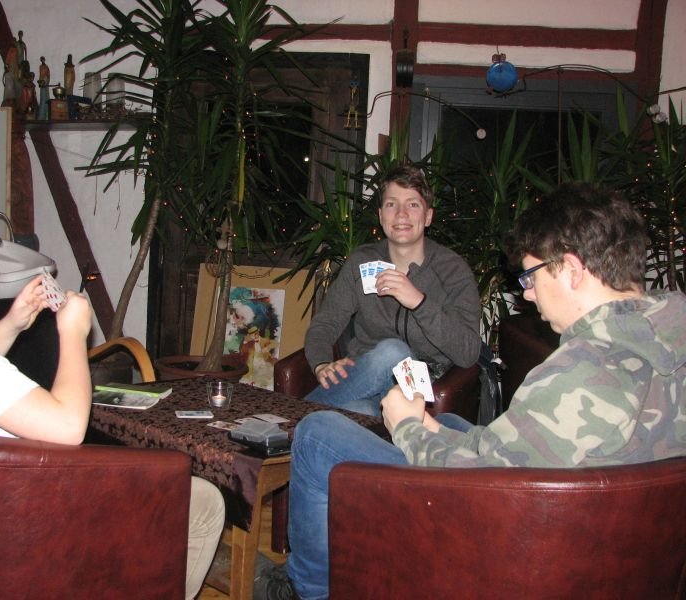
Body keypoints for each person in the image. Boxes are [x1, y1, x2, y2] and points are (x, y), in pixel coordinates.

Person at [256, 182, 686, 599]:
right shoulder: (670, 338)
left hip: (509, 542)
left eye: (531, 277)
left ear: (571, 271)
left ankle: (307, 590)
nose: (528, 296)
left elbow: (487, 478)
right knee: (443, 421)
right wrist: (429, 427)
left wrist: (407, 427)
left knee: (317, 433)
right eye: (390, 204)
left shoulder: (576, 372)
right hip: (605, 548)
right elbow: (513, 452)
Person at [0, 187, 223, 600]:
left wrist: (13, 323)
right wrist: (73, 333)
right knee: (203, 500)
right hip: (17, 517)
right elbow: (67, 427)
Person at [303, 164, 481, 416]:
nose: (401, 214)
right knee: (354, 412)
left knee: (394, 351)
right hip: (367, 381)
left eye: (413, 205)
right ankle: (302, 418)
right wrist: (321, 364)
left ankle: (294, 415)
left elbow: (469, 352)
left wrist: (419, 302)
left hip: (421, 385)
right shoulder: (362, 262)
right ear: (380, 215)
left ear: (428, 217)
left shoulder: (452, 269)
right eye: (391, 204)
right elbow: (325, 323)